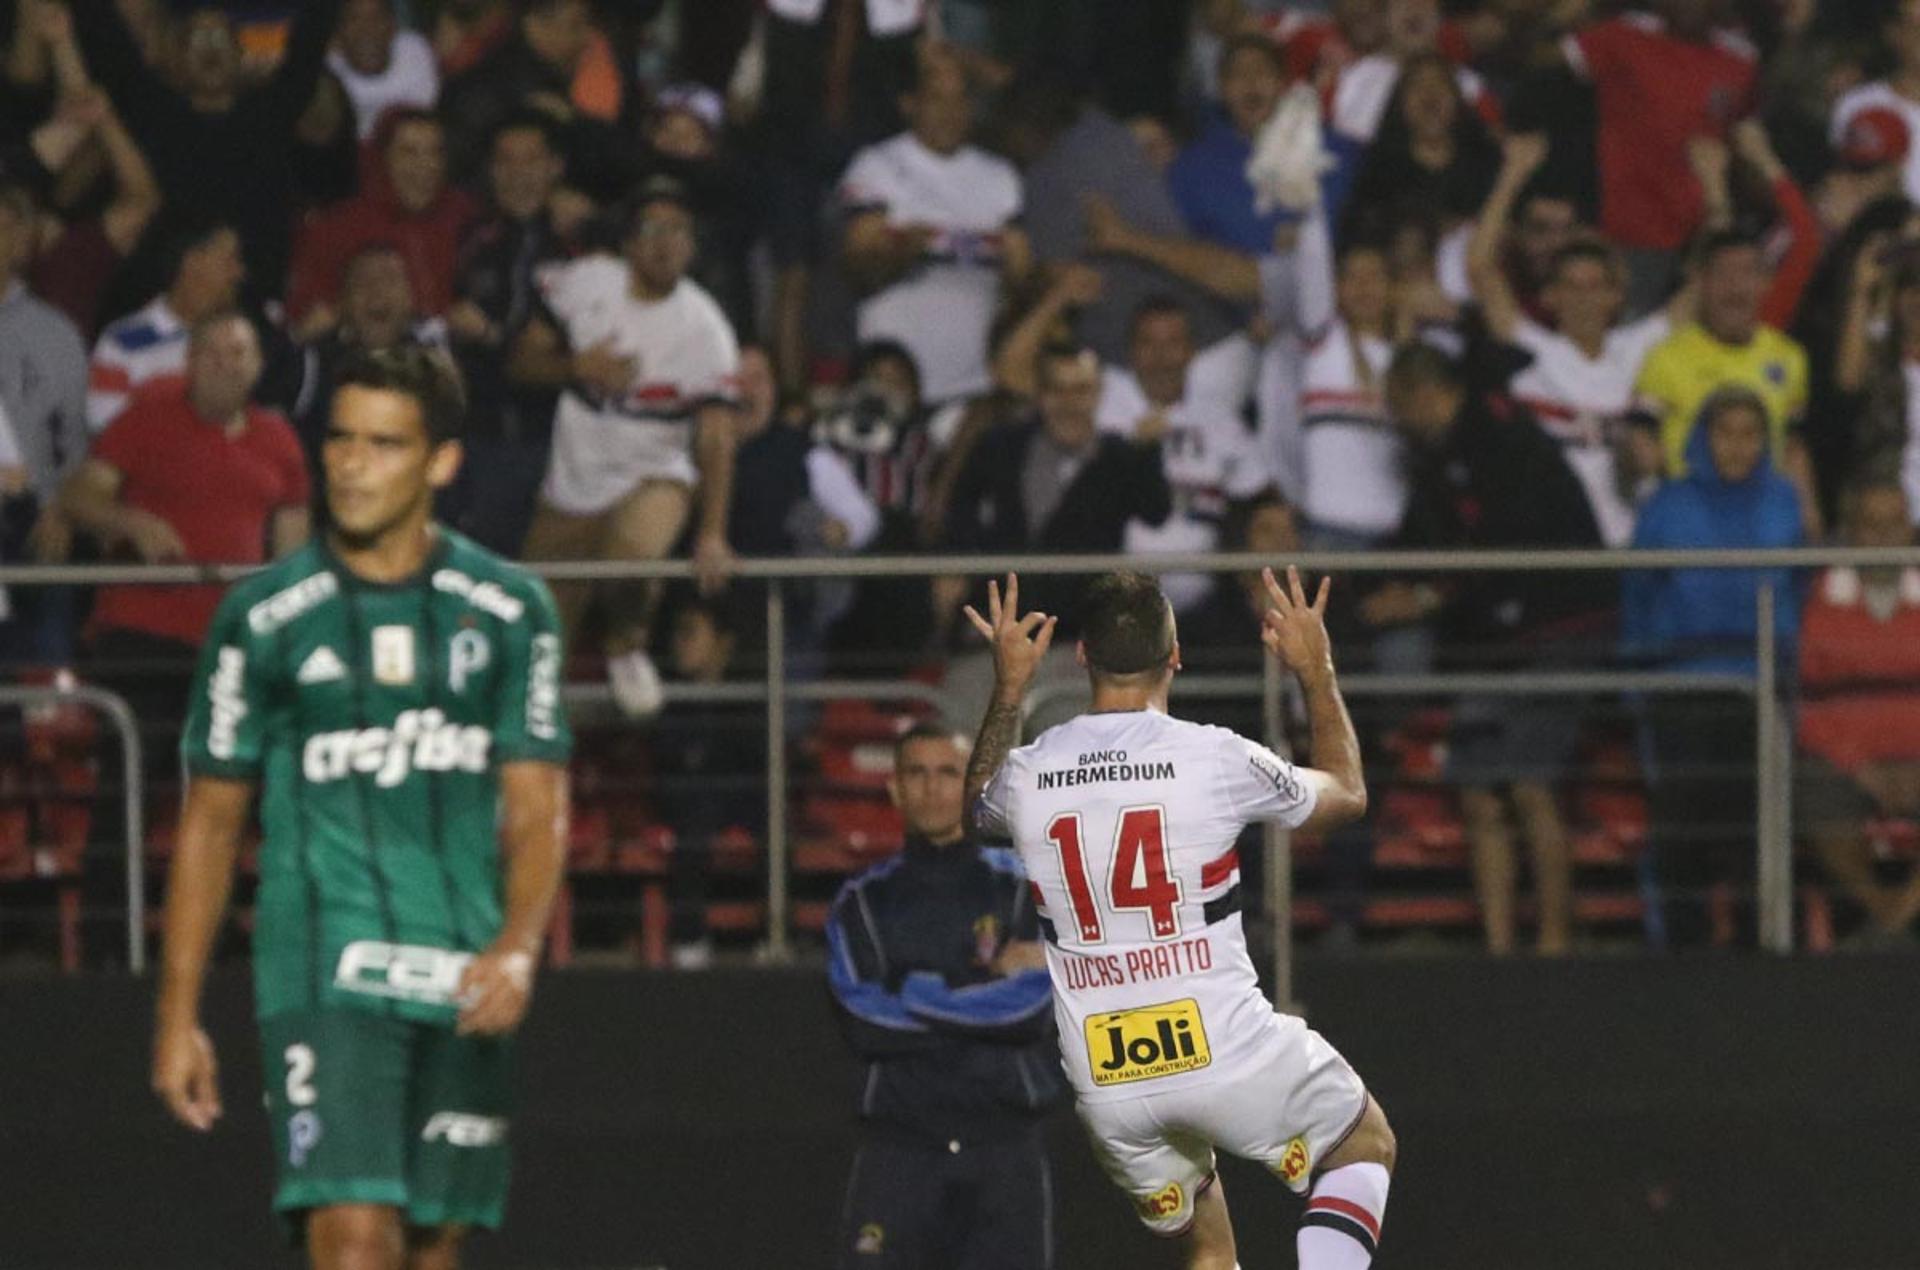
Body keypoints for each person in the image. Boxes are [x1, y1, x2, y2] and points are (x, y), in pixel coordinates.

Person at [150, 344, 573, 1269]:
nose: (349, 463)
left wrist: (517, 946)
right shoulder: (263, 619)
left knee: (433, 1243)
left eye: (384, 444)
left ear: (441, 462)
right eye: (340, 439)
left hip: (462, 965)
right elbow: (212, 822)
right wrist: (178, 1014)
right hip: (324, 965)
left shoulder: (510, 612)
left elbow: (539, 810)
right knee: (352, 1240)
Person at [963, 569, 1394, 1269]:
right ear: (1177, 656)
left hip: (1108, 1079)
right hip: (1224, 1048)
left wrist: (1009, 687)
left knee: (1210, 1247)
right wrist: (1316, 673)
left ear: (1080, 657)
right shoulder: (1215, 758)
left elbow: (975, 811)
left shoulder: (1030, 773)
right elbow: (1346, 794)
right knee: (1364, 1144)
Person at [1384, 342, 1612, 956]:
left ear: (1420, 394)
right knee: (1480, 786)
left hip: (1561, 627)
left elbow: (1503, 546)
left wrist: (1428, 601)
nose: (1398, 424)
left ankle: (1554, 947)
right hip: (1494, 641)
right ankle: (1499, 949)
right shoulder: (1452, 452)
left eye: (1398, 408)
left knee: (1531, 783)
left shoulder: (1497, 436)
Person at [827, 722, 1064, 1270]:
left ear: (973, 786)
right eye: (917, 773)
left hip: (1003, 1150)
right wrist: (983, 986)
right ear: (894, 789)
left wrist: (910, 989)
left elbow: (1032, 1011)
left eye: (948, 773)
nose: (933, 788)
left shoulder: (1022, 889)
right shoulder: (862, 903)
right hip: (900, 1152)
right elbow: (864, 1020)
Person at [511, 180, 740, 718]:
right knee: (534, 637)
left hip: (656, 468)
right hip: (572, 481)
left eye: (679, 231)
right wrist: (576, 366)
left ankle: (626, 646)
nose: (666, 243)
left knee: (635, 553)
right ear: (629, 243)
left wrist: (712, 532)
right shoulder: (586, 282)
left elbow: (716, 436)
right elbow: (521, 362)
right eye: (652, 230)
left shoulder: (706, 329)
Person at [1624, 387, 1803, 948]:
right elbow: (1639, 596)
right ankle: (1682, 940)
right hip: (1683, 685)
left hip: (1762, 686)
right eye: (1727, 432)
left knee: (1756, 820)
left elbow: (1798, 592)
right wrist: (1638, 683)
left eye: (1751, 433)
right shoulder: (1666, 506)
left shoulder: (1784, 502)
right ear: (1705, 438)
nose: (1738, 446)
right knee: (1683, 820)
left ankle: (1761, 941)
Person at [72, 0, 345, 294]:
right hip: (168, 300)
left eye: (220, 38)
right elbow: (111, 44)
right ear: (176, 59)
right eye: (196, 39)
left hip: (255, 303)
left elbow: (311, 36)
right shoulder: (155, 114)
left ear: (241, 55)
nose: (210, 49)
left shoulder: (271, 112)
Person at [839, 45, 1030, 406]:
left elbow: (1020, 288)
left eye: (960, 100)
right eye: (937, 99)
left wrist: (1019, 269)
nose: (950, 113)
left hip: (972, 387)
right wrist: (903, 252)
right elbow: (856, 269)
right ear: (910, 103)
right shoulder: (876, 167)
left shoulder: (1000, 178)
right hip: (892, 384)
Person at [942, 343, 1171, 638]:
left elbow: (1156, 513)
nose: (1069, 403)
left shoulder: (1121, 458)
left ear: (1098, 394)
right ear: (1040, 395)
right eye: (1057, 390)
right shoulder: (1002, 445)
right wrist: (959, 562)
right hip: (1001, 625)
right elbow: (961, 505)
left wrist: (1149, 453)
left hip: (1079, 634)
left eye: (1081, 390)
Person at [1796, 477, 1920, 942]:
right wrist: (1860, 765)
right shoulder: (1823, 597)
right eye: (1872, 526)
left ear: (1911, 529)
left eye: (1895, 524)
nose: (1885, 537)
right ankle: (1888, 913)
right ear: (1852, 532)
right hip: (1848, 761)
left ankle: (1890, 923)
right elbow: (1810, 704)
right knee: (1816, 792)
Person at [1632, 230, 1816, 531]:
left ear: (1765, 282)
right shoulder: (1666, 356)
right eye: (1722, 274)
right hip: (1690, 522)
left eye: (1746, 273)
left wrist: (1808, 512)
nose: (1735, 286)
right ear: (1702, 284)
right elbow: (1640, 437)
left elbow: (1794, 446)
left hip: (1763, 520)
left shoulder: (1789, 357)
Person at [0, 172, 89, 664]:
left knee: (47, 641)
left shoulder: (53, 333)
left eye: (9, 225)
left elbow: (76, 442)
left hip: (29, 514)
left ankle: (51, 731)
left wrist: (61, 507)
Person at [286, 108, 479, 333]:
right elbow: (307, 316)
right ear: (382, 158)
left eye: (435, 153)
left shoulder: (466, 217)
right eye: (409, 152)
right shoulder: (338, 228)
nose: (426, 166)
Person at [88, 217, 246, 432]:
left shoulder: (241, 344)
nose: (239, 272)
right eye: (229, 260)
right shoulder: (124, 341)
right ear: (192, 262)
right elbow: (106, 435)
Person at [327, 0, 440, 141]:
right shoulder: (326, 74)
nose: (366, 29)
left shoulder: (415, 52)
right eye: (354, 19)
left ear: (393, 26)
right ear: (338, 32)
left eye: (376, 18)